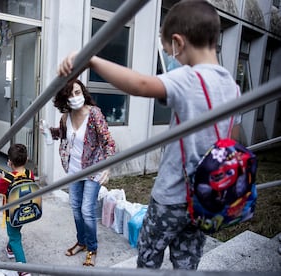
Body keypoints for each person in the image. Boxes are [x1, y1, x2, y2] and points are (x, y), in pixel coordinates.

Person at [58, 0, 240, 270]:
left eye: (170, 53)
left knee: (149, 255)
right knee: (186, 260)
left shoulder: (190, 78)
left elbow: (141, 84)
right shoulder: (233, 88)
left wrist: (90, 59)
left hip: (171, 196)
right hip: (204, 198)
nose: (173, 59)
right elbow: (232, 142)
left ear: (178, 42)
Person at [45, 79, 116, 267]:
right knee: (76, 208)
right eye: (71, 94)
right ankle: (82, 242)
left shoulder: (94, 114)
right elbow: (62, 134)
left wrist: (107, 167)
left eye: (78, 92)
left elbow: (108, 142)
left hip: (93, 169)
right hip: (74, 170)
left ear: (83, 92)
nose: (76, 97)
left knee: (86, 210)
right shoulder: (65, 117)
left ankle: (92, 248)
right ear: (64, 99)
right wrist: (47, 131)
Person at [0, 144, 33, 276]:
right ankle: (10, 249)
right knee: (15, 232)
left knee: (15, 238)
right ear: (27, 159)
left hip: (11, 214)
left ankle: (23, 269)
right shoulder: (30, 173)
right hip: (26, 210)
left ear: (9, 162)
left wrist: (1, 178)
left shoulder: (7, 179)